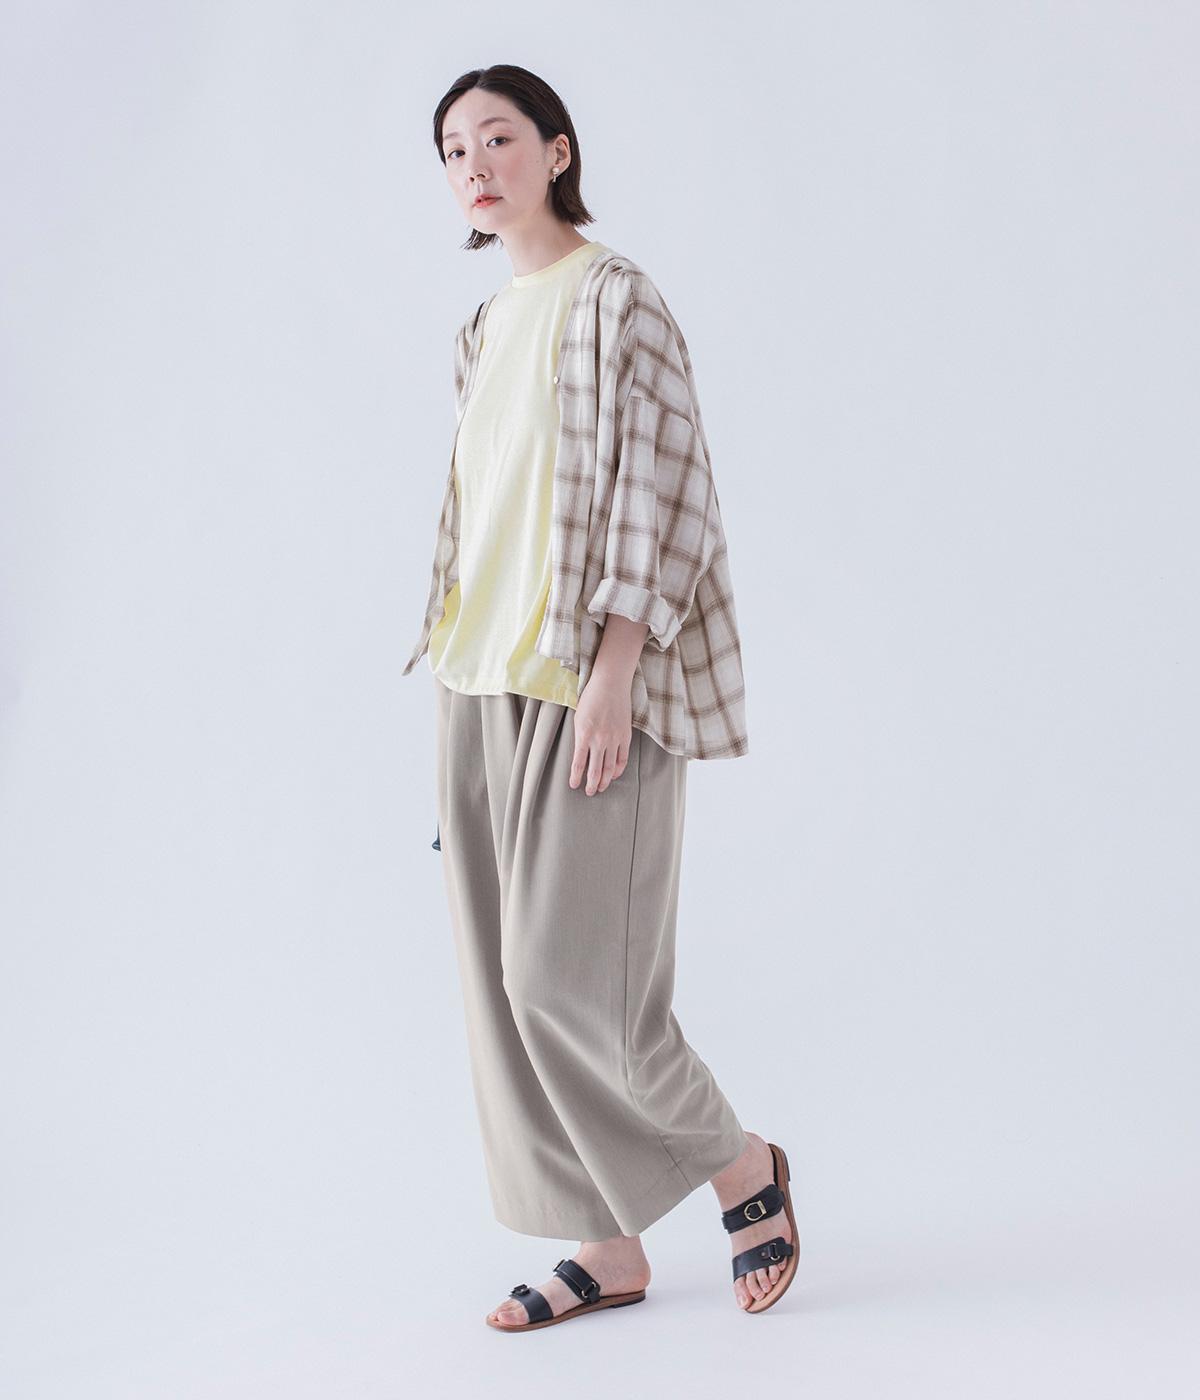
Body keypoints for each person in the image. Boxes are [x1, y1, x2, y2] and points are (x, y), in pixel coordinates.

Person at [403, 64, 798, 1331]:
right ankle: (605, 1242)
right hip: (478, 680)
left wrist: (617, 670)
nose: (475, 164)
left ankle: (742, 1164)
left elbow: (665, 493)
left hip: (588, 681)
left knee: (567, 981)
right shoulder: (482, 329)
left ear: (557, 149)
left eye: (498, 136)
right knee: (501, 990)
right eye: (453, 148)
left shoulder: (619, 299)